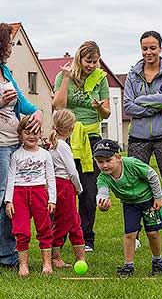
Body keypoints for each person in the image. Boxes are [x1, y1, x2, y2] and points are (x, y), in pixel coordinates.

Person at [123, 31, 162, 250]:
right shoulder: (133, 75)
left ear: (160, 48)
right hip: (138, 138)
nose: (148, 52)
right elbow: (127, 106)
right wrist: (154, 107)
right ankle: (136, 233)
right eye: (144, 48)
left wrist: (142, 100)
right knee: (136, 185)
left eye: (152, 48)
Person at [53, 41, 111, 252]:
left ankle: (87, 237)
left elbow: (107, 113)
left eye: (95, 61)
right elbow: (58, 105)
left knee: (88, 190)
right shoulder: (64, 76)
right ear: (79, 58)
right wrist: (67, 79)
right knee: (64, 188)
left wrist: (99, 108)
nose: (92, 65)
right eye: (88, 61)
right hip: (66, 137)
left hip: (91, 138)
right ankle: (58, 236)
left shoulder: (100, 78)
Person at [0, 22, 43, 268]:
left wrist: (36, 112)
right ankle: (6, 257)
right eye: (7, 42)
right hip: (0, 147)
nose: (10, 47)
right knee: (4, 199)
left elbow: (24, 104)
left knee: (12, 198)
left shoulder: (5, 72)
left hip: (14, 143)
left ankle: (8, 252)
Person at [93, 139, 162, 277]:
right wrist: (103, 203)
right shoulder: (103, 178)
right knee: (129, 234)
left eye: (108, 160)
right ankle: (128, 266)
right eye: (100, 161)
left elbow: (151, 175)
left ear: (118, 158)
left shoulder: (132, 164)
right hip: (130, 205)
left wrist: (158, 197)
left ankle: (157, 261)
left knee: (152, 233)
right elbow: (102, 193)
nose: (104, 165)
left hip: (148, 201)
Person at [5, 115, 56, 276]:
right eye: (27, 132)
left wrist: (52, 199)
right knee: (22, 230)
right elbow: (10, 178)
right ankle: (23, 265)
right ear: (20, 135)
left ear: (41, 134)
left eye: (35, 132)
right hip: (19, 195)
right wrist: (8, 201)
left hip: (39, 193)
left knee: (44, 228)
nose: (31, 136)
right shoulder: (16, 155)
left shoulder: (45, 155)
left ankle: (47, 264)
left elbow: (51, 177)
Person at [49, 109, 85, 267]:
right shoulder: (62, 146)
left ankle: (80, 257)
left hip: (59, 185)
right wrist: (79, 188)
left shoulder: (53, 144)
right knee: (64, 221)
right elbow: (72, 171)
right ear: (71, 128)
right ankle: (55, 257)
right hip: (64, 186)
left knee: (74, 220)